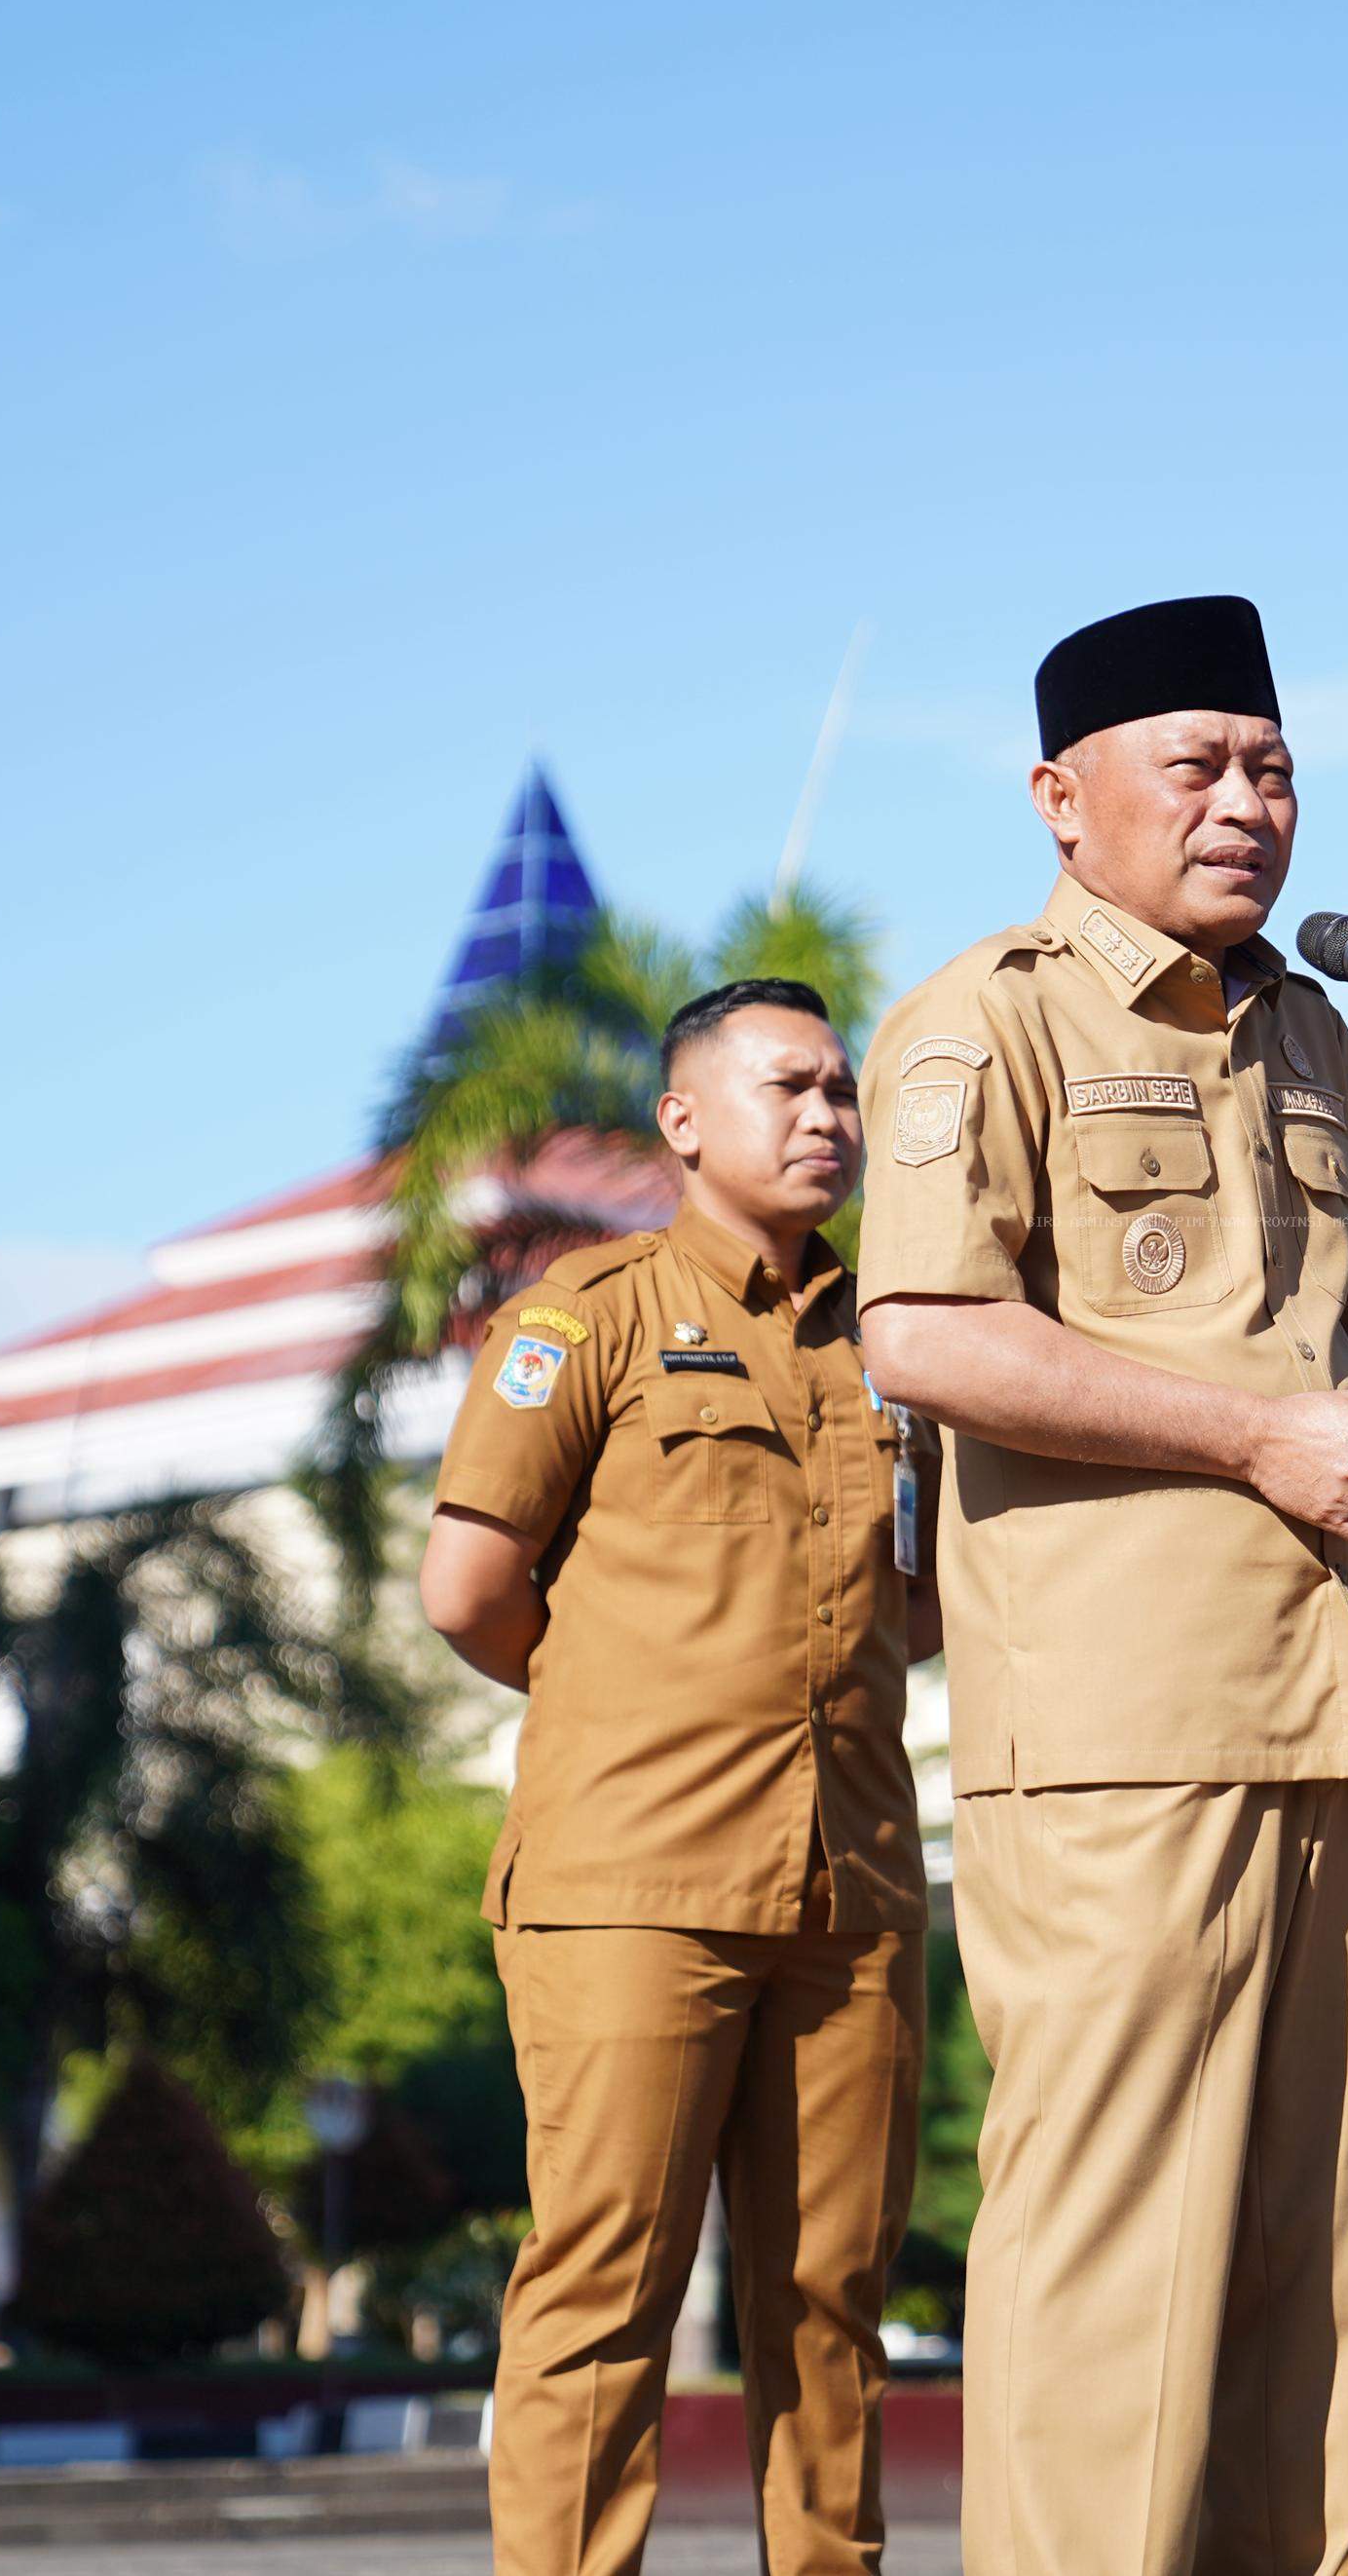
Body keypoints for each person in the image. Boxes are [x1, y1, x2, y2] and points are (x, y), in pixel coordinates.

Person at [855, 592, 1348, 2576]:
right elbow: (928, 1332)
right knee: (1117, 2261)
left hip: (1323, 1714)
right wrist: (1258, 1437)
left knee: (1315, 2270)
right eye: (1194, 764)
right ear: (1061, 796)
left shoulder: (1307, 1032)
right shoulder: (989, 1015)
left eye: (1272, 767)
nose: (1246, 804)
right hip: (1116, 1730)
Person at [418, 978, 934, 2576]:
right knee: (603, 2290)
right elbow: (466, 1587)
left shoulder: (902, 1340)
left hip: (848, 1893)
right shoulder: (595, 1310)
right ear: (686, 1118)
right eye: (790, 1084)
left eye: (843, 1089)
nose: (828, 1114)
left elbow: (905, 1607)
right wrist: (630, 1703)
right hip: (633, 1886)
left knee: (831, 2303)